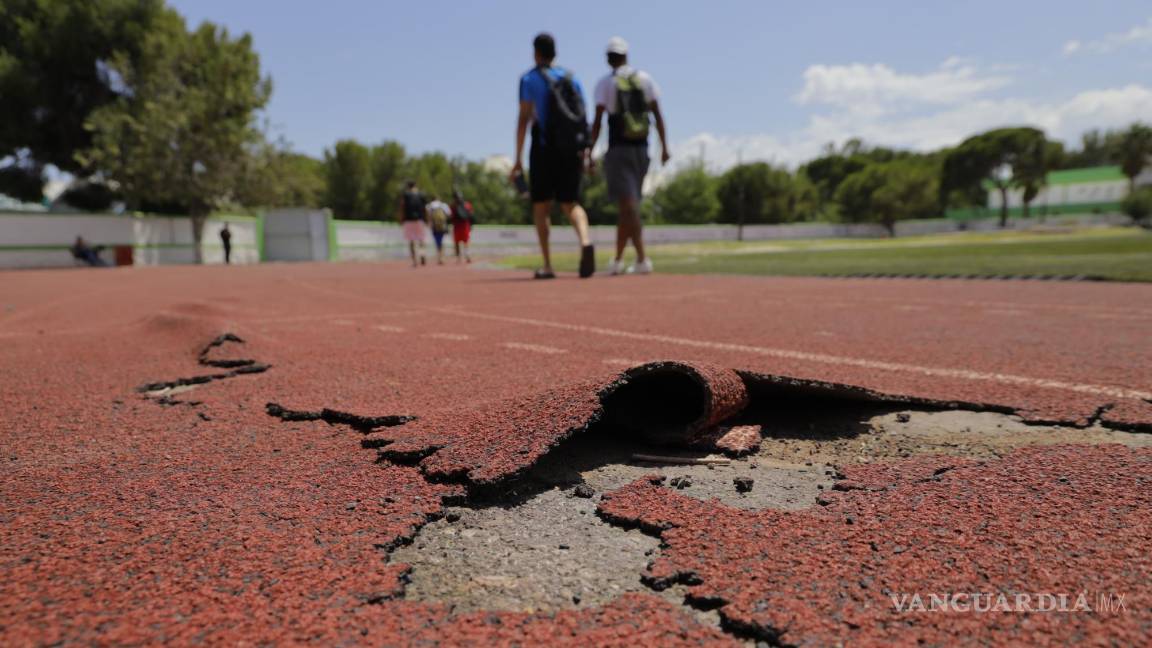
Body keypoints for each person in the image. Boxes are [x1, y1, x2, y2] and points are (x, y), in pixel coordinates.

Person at [511, 32, 596, 279]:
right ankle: (585, 241)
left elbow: (524, 118)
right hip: (571, 148)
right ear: (555, 52)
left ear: (536, 53)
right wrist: (587, 150)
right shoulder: (572, 78)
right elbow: (582, 118)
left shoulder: (529, 79)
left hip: (544, 146)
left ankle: (548, 264)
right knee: (571, 204)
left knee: (541, 206)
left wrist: (517, 159)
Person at [590, 36, 670, 275]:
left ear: (608, 59)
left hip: (619, 149)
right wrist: (664, 147)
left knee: (629, 205)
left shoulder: (606, 83)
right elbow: (658, 115)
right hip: (641, 149)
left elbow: (597, 122)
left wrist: (588, 151)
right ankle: (618, 259)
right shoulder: (645, 79)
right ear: (626, 55)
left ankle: (643, 259)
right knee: (627, 206)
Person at [397, 180, 427, 267]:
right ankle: (422, 254)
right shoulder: (421, 195)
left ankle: (415, 261)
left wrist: (401, 218)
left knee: (412, 240)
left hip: (409, 220)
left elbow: (402, 207)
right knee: (421, 239)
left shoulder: (406, 195)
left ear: (408, 186)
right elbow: (425, 208)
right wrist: (426, 219)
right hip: (420, 220)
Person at [425, 195, 451, 265]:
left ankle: (439, 257)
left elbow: (428, 216)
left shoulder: (429, 206)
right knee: (442, 241)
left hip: (434, 226)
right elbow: (449, 214)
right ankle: (442, 257)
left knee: (437, 241)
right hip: (442, 225)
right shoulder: (443, 205)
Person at [451, 191, 474, 263]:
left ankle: (458, 258)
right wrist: (471, 225)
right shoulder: (467, 204)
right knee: (466, 242)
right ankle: (467, 256)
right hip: (465, 225)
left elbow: (451, 216)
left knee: (457, 243)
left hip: (457, 226)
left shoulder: (453, 206)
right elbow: (471, 215)